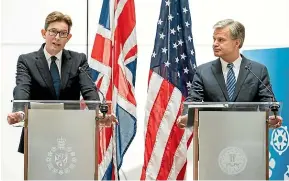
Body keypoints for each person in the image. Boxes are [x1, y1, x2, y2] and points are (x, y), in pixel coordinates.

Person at [7, 11, 116, 153]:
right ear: (43, 33)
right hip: (37, 136)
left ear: (68, 37)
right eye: (53, 32)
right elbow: (22, 88)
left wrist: (98, 114)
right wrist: (19, 112)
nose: (57, 38)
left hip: (71, 135)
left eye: (63, 33)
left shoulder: (78, 60)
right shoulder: (26, 61)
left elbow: (89, 90)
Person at [177, 19, 282, 128]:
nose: (215, 44)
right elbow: (193, 100)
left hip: (249, 134)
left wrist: (272, 116)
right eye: (214, 39)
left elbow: (267, 101)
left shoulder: (258, 70)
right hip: (214, 134)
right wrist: (186, 116)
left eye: (221, 40)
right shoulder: (203, 71)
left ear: (237, 43)